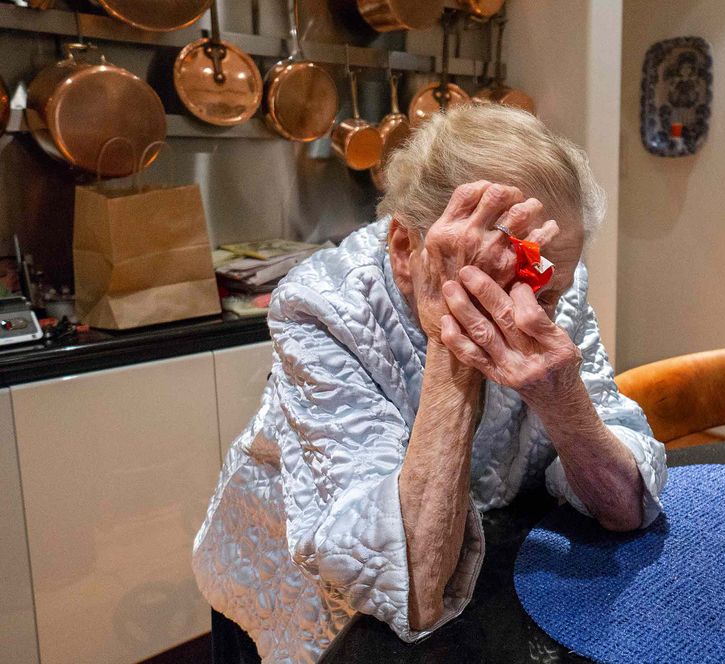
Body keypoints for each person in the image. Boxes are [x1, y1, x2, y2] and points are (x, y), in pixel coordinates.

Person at [193, 104, 667, 664]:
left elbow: (626, 507)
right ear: (403, 250)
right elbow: (409, 588)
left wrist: (563, 401)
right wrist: (453, 343)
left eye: (549, 290)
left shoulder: (552, 274)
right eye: (498, 282)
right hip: (299, 588)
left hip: (490, 557)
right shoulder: (320, 308)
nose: (528, 311)